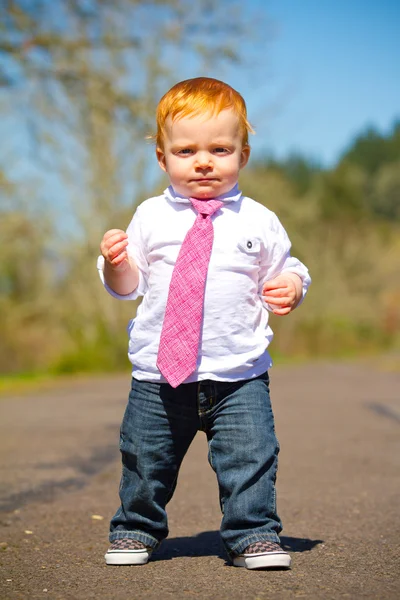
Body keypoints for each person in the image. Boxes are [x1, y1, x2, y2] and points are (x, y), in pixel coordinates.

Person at [98, 77, 311, 570]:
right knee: (145, 460)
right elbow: (129, 285)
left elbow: (290, 266)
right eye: (186, 149)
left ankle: (252, 533)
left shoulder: (259, 219)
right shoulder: (150, 217)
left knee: (251, 459)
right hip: (158, 374)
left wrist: (294, 285)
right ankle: (136, 528)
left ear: (244, 154)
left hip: (238, 372)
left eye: (219, 148)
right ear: (162, 157)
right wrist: (114, 261)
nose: (203, 161)